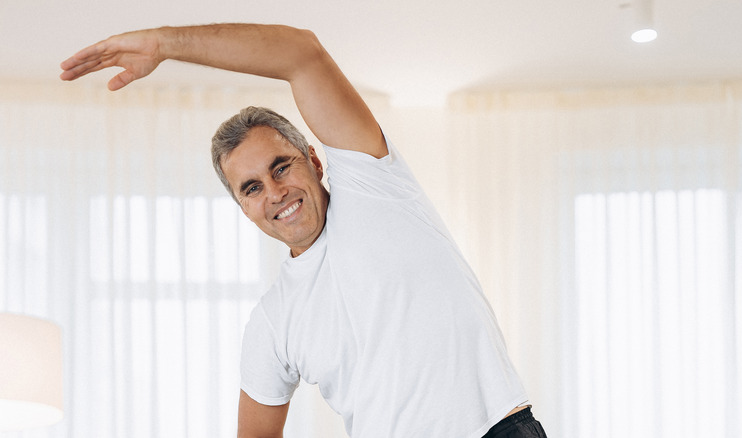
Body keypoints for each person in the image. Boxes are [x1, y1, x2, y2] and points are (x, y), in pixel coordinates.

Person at [60, 23, 548, 438]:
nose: (274, 192)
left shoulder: (374, 186)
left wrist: (166, 44)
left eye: (281, 167)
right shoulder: (274, 323)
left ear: (314, 161)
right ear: (243, 207)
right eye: (251, 188)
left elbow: (301, 53)